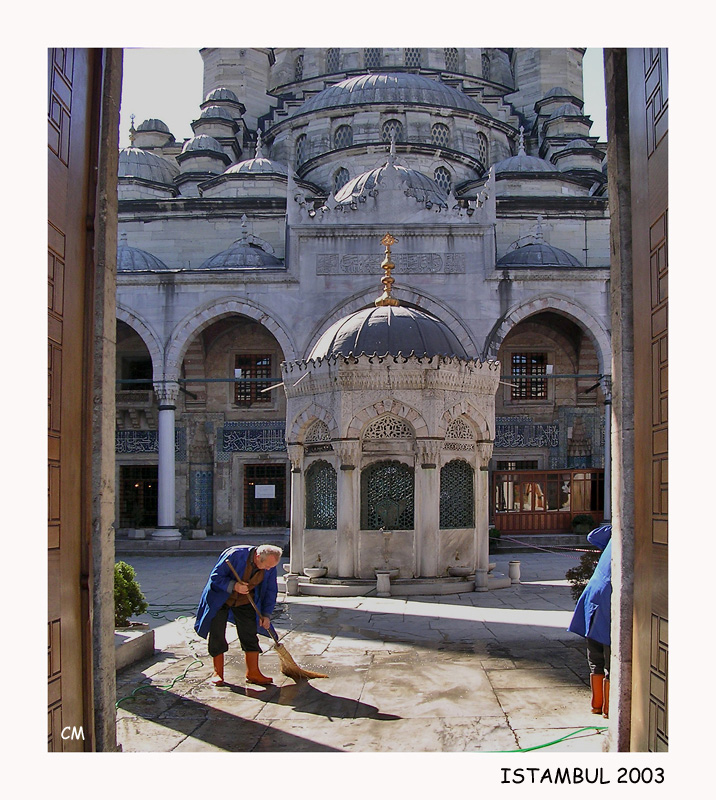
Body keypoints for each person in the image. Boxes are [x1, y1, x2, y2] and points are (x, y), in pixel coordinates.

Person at [194, 544, 283, 686]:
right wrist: (234, 586)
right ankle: (218, 672)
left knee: (249, 632)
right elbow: (216, 577)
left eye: (271, 567)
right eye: (266, 566)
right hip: (221, 598)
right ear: (258, 557)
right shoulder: (234, 555)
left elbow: (271, 590)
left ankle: (253, 672)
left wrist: (266, 614)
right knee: (217, 633)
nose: (268, 569)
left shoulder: (269, 567)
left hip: (245, 600)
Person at [568, 524, 612, 718]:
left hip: (594, 597)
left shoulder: (614, 537)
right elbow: (592, 536)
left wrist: (614, 526)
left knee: (596, 657)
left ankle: (598, 705)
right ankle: (608, 708)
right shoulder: (625, 537)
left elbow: (594, 535)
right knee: (610, 659)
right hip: (608, 598)